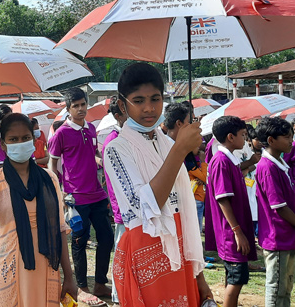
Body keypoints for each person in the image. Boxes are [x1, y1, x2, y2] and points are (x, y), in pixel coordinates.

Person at [103, 63, 213, 307]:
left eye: (155, 98)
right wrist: (180, 150)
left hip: (180, 246)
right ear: (123, 105)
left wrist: (200, 277)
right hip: (145, 252)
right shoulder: (116, 149)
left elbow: (184, 211)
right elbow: (144, 207)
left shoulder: (164, 141)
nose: (149, 108)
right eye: (139, 101)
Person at [0, 113, 76, 306]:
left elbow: (59, 228)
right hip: (9, 264)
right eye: (13, 139)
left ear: (34, 140)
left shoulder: (49, 179)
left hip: (46, 264)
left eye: (25, 138)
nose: (20, 143)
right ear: (3, 144)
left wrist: (69, 276)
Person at [48, 87, 112, 305]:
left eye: (83, 104)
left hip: (97, 193)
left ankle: (100, 282)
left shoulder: (91, 128)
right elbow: (52, 163)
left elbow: (92, 154)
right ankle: (82, 287)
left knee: (107, 238)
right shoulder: (61, 133)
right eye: (75, 106)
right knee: (79, 241)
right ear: (68, 109)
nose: (81, 108)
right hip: (76, 196)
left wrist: (104, 164)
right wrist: (61, 189)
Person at [204, 116, 257, 307]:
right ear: (230, 137)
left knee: (233, 277)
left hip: (233, 229)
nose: (245, 139)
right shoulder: (220, 161)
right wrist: (237, 231)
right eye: (242, 135)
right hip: (229, 232)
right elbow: (223, 198)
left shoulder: (228, 159)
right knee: (237, 279)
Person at [254, 117, 295, 307]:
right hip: (278, 238)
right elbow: (279, 207)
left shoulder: (279, 163)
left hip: (287, 236)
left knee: (285, 287)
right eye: (287, 137)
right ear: (271, 140)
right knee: (277, 288)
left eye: (292, 136)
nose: (291, 141)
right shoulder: (268, 167)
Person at [101, 96, 127, 307]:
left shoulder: (128, 138)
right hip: (124, 210)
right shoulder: (113, 142)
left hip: (134, 210)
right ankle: (118, 295)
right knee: (122, 252)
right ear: (118, 115)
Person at [165, 102, 207, 231]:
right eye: (189, 122)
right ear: (179, 124)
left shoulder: (181, 147)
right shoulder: (167, 148)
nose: (192, 126)